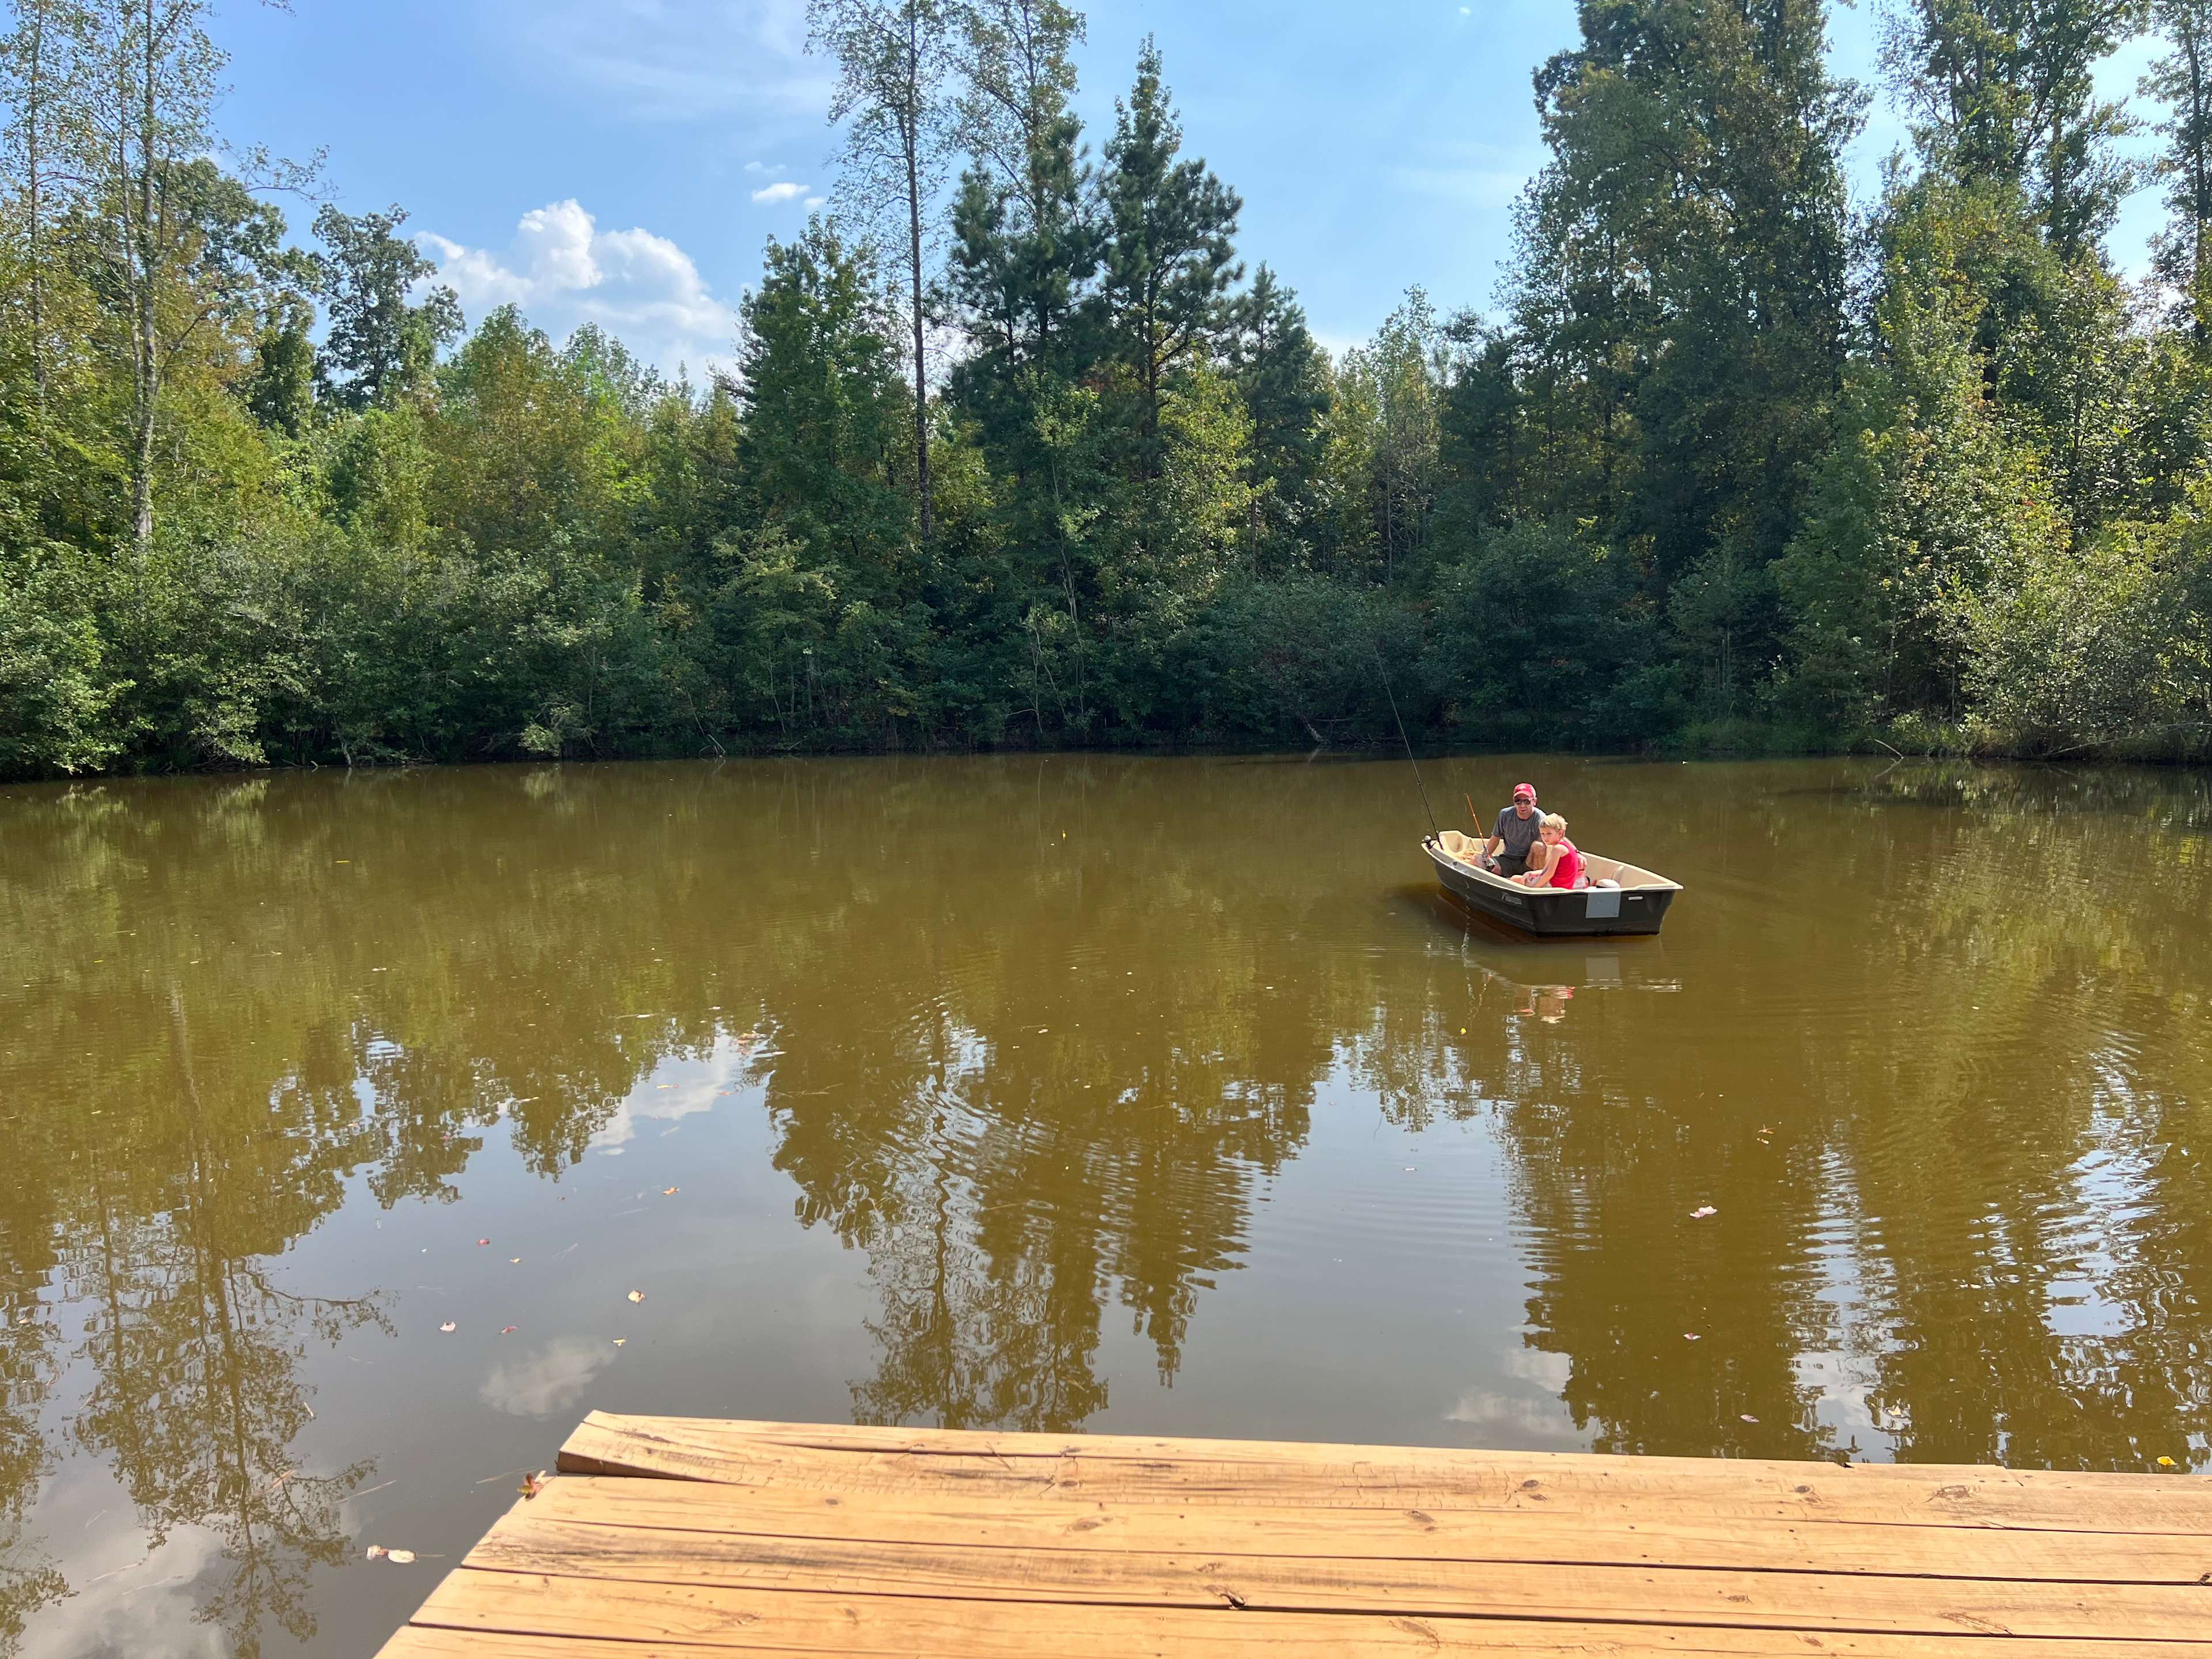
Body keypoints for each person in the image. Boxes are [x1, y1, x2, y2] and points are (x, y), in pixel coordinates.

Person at [1480, 783, 1544, 877]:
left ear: (1534, 801)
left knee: (1539, 846)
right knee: (1477, 860)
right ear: (1514, 801)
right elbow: (1495, 839)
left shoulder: (1540, 818)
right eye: (1518, 801)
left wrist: (1572, 850)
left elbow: (1555, 837)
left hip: (1529, 863)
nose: (1522, 805)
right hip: (1508, 860)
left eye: (1527, 801)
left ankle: (1537, 880)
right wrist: (1484, 857)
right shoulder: (1504, 814)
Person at [1519, 813, 1584, 889]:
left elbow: (1549, 873)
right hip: (1563, 885)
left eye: (1549, 834)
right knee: (1520, 878)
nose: (1545, 837)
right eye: (1543, 834)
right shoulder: (1565, 846)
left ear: (1560, 833)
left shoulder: (1558, 849)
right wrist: (1531, 873)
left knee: (1515, 879)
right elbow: (1545, 871)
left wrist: (1534, 889)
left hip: (1555, 887)